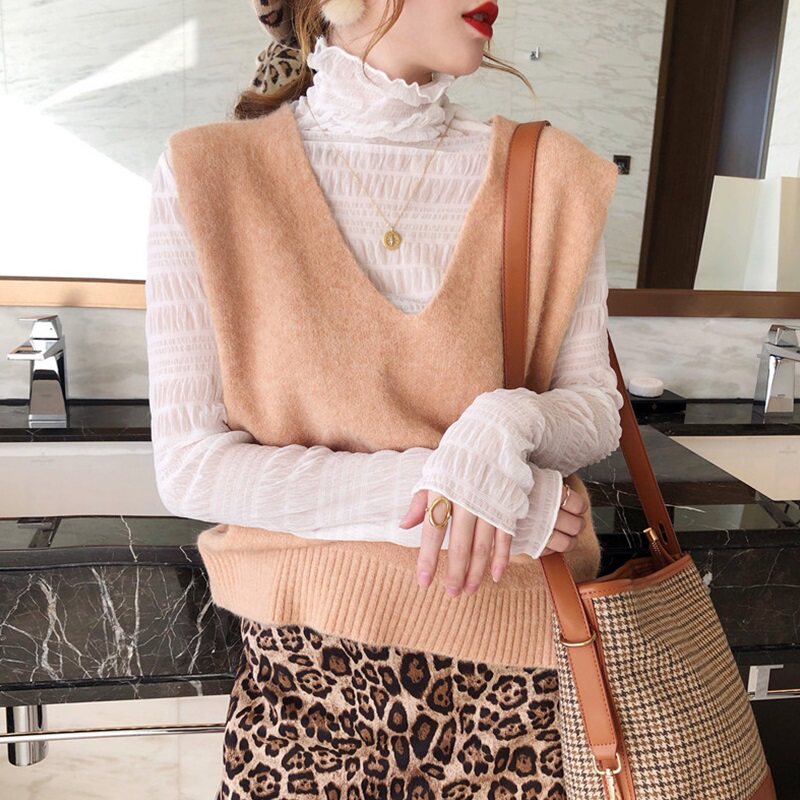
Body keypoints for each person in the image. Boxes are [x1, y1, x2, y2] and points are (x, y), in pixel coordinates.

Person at [144, 0, 622, 797]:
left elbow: (595, 407)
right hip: (305, 688)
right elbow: (192, 467)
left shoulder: (553, 176)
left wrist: (503, 427)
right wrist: (460, 493)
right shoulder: (207, 174)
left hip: (520, 685)